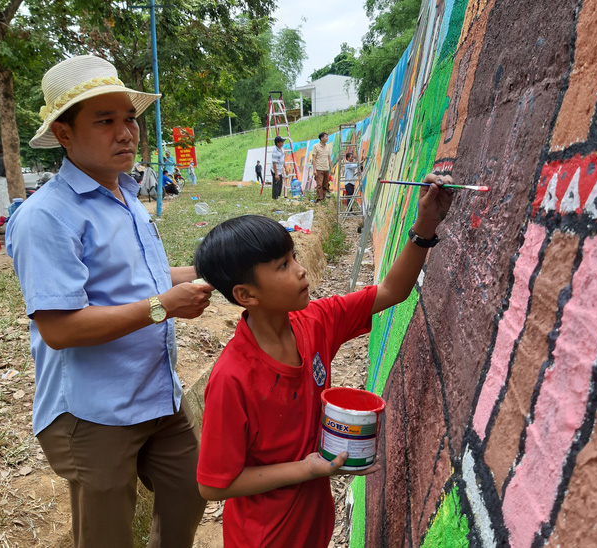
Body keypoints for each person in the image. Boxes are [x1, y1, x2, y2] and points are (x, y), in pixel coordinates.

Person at [5, 54, 213, 548]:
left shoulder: (124, 196)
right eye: (105, 121)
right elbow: (60, 328)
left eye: (129, 119)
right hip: (94, 412)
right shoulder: (47, 217)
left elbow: (151, 280)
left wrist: (224, 267)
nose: (125, 133)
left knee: (193, 487)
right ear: (63, 134)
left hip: (158, 394)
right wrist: (163, 306)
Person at [194, 174, 454, 547]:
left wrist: (425, 225)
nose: (300, 270)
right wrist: (305, 469)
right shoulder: (232, 378)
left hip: (313, 523)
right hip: (265, 536)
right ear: (245, 294)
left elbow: (392, 290)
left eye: (294, 256)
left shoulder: (316, 321)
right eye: (282, 265)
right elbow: (213, 484)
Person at [312, 132, 332, 202]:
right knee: (319, 184)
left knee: (325, 185)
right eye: (326, 137)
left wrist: (331, 169)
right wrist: (314, 170)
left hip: (326, 168)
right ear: (322, 138)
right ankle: (319, 199)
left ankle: (323, 198)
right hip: (319, 168)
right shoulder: (315, 146)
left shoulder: (328, 147)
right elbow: (314, 158)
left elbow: (329, 158)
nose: (327, 138)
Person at [271, 135, 285, 200]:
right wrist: (276, 174)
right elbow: (274, 163)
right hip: (275, 170)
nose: (283, 143)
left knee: (280, 183)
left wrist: (286, 168)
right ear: (278, 143)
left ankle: (278, 196)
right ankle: (275, 197)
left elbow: (283, 159)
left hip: (280, 169)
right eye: (282, 142)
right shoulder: (275, 152)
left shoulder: (282, 149)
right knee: (276, 183)